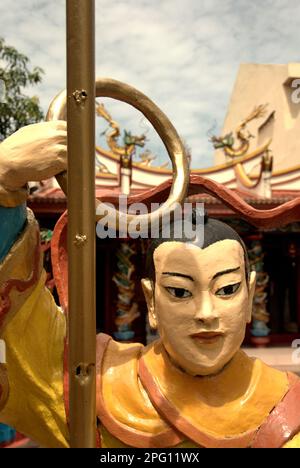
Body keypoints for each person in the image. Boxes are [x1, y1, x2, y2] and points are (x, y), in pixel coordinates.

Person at [0, 122, 299, 448]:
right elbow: (23, 327)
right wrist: (4, 182)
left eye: (227, 289)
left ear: (252, 294)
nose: (206, 313)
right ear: (150, 301)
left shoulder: (285, 407)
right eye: (180, 291)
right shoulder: (99, 387)